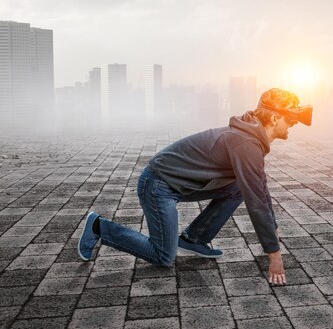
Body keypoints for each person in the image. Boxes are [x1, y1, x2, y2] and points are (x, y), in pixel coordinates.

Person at [78, 88, 312, 285]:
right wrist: (275, 255)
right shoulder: (246, 143)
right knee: (163, 256)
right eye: (290, 120)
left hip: (177, 183)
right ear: (274, 119)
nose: (292, 125)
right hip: (158, 185)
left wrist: (273, 228)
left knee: (239, 187)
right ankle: (99, 227)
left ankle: (193, 239)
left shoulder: (250, 138)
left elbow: (259, 189)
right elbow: (257, 203)